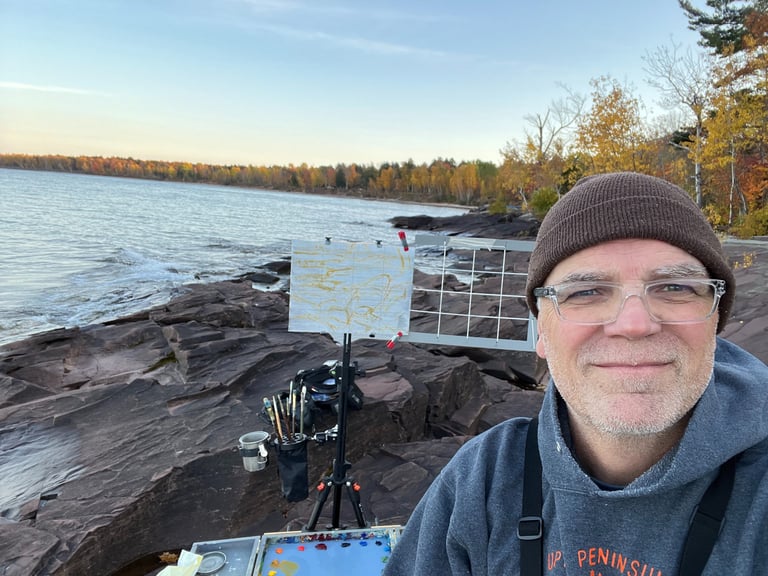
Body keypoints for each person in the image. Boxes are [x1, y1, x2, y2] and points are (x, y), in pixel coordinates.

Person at [382, 172, 768, 576]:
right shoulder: (482, 483)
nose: (634, 324)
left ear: (715, 321)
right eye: (585, 292)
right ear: (542, 332)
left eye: (675, 288)